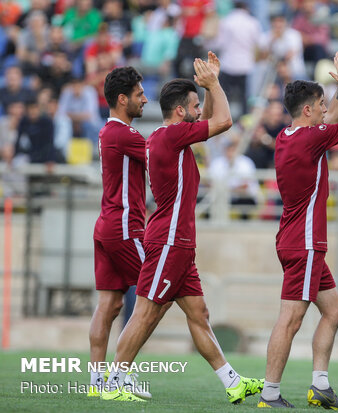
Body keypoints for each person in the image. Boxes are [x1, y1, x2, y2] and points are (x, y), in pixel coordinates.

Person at [102, 54, 263, 404]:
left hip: (181, 242)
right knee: (146, 312)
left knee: (199, 314)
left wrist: (205, 88)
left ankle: (232, 381)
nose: (198, 110)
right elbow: (223, 121)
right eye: (193, 106)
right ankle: (112, 381)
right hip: (169, 240)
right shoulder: (171, 137)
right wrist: (214, 84)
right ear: (179, 112)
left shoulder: (173, 137)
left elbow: (207, 120)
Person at [258, 50, 338, 409]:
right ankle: (270, 393)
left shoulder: (289, 136)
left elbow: (334, 123)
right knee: (290, 319)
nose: (326, 109)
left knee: (334, 311)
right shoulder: (310, 139)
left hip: (298, 240)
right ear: (307, 111)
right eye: (320, 104)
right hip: (304, 243)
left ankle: (320, 386)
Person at [89, 66, 170, 399]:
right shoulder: (126, 135)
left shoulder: (108, 132)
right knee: (157, 295)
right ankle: (121, 375)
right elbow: (162, 153)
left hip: (107, 225)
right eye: (139, 94)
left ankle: (96, 382)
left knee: (108, 305)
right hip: (124, 226)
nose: (145, 99)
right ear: (122, 99)